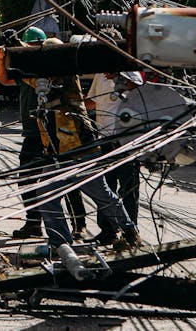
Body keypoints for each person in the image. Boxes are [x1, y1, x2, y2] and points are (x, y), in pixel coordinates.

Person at [25, 38, 142, 252]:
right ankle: (60, 242)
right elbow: (12, 78)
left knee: (103, 194)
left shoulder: (65, 73)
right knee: (45, 193)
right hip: (59, 150)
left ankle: (129, 230)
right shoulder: (45, 75)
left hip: (80, 145)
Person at [86, 70, 145, 245]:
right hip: (104, 139)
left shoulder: (129, 71)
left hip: (127, 140)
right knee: (104, 188)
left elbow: (139, 89)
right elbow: (92, 101)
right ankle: (108, 231)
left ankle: (130, 231)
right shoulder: (99, 75)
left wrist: (119, 76)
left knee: (128, 190)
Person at [11, 26, 50, 239]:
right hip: (32, 133)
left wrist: (16, 46)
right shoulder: (25, 68)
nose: (29, 50)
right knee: (27, 180)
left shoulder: (43, 68)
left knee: (52, 182)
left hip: (43, 132)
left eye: (32, 47)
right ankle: (34, 223)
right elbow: (6, 79)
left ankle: (72, 225)